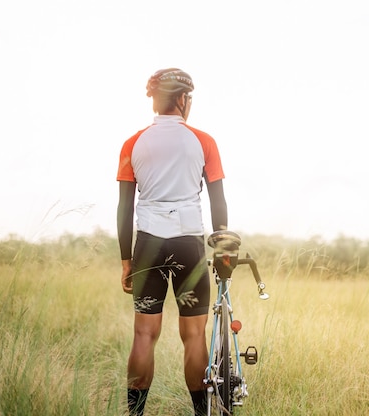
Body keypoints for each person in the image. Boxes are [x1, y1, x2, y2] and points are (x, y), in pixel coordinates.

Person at [116, 68, 228, 416]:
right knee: (194, 335)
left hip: (148, 243)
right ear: (181, 100)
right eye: (188, 99)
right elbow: (217, 201)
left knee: (144, 334)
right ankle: (200, 413)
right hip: (188, 244)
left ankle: (135, 413)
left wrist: (126, 261)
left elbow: (125, 206)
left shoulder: (133, 143)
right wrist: (222, 248)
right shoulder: (203, 141)